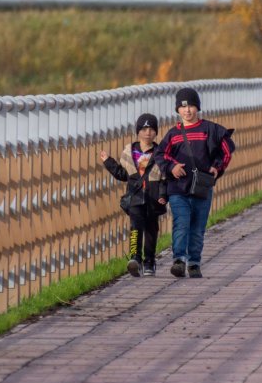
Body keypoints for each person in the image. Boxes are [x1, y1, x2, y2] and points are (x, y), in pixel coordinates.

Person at [154, 87, 234, 279]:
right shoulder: (173, 134)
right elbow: (160, 154)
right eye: (182, 107)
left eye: (191, 106)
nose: (187, 111)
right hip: (178, 189)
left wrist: (217, 166)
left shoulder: (210, 130)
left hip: (201, 189)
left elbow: (227, 148)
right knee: (181, 224)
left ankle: (194, 263)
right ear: (177, 110)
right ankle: (179, 260)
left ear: (197, 107)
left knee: (197, 228)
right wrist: (172, 167)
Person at [100, 113, 168, 277]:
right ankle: (135, 258)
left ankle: (149, 261)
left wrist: (164, 195)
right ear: (138, 131)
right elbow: (122, 175)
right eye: (144, 129)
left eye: (151, 129)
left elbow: (165, 178)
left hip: (153, 198)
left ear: (156, 132)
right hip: (135, 198)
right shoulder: (129, 151)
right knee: (135, 228)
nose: (148, 133)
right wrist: (108, 161)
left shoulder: (160, 153)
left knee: (151, 231)